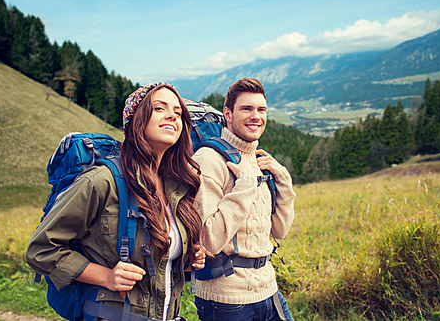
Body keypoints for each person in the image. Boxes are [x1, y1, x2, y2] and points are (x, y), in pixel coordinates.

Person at [26, 82, 206, 321]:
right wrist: (105, 276)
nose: (172, 115)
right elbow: (41, 249)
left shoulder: (177, 187)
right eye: (159, 108)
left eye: (178, 112)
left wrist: (184, 256)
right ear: (136, 120)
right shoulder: (101, 181)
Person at [193, 77, 296, 321]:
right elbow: (208, 240)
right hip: (226, 301)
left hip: (269, 290)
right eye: (246, 109)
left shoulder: (259, 160)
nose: (256, 116)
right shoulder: (209, 160)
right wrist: (245, 185)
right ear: (227, 114)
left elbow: (279, 230)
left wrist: (283, 178)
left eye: (261, 110)